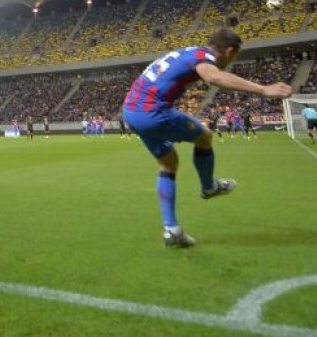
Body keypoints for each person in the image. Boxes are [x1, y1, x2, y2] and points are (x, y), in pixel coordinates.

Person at [122, 28, 292, 248]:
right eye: (234, 57)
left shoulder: (188, 52)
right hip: (152, 112)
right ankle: (209, 187)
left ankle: (172, 229)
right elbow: (213, 76)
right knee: (204, 136)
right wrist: (264, 89)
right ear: (229, 51)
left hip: (131, 112)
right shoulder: (204, 57)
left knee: (168, 163)